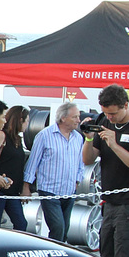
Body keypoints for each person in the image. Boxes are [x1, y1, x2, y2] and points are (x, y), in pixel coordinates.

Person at [81, 85, 129, 257]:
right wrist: (89, 139)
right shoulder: (104, 121)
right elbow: (88, 159)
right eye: (106, 113)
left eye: (113, 113)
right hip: (110, 202)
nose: (110, 118)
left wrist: (114, 145)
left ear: (126, 105)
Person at [24, 101, 83, 242]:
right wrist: (26, 186)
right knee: (58, 228)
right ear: (63, 118)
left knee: (64, 229)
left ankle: (60, 256)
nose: (78, 120)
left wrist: (77, 180)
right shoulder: (44, 135)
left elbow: (80, 163)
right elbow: (33, 162)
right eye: (75, 117)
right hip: (50, 191)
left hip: (69, 191)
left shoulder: (78, 138)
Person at [0, 106, 30, 230]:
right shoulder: (1, 135)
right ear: (20, 120)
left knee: (21, 224)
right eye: (27, 121)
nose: (28, 124)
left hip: (12, 191)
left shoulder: (17, 138)